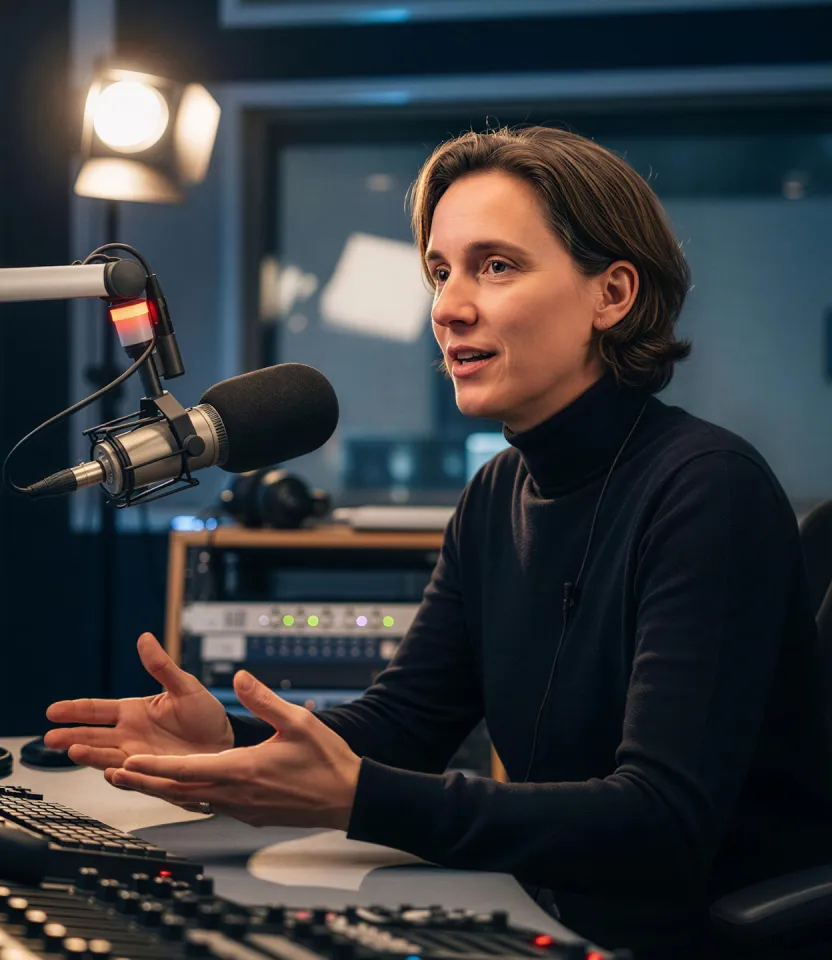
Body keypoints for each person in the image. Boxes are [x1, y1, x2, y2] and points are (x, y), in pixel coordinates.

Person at [45, 126, 832, 958]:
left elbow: (660, 821)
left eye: (497, 265)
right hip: (546, 915)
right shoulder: (496, 494)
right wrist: (232, 746)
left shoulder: (708, 488)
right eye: (440, 270)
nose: (450, 306)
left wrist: (356, 799)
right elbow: (405, 723)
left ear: (613, 294)